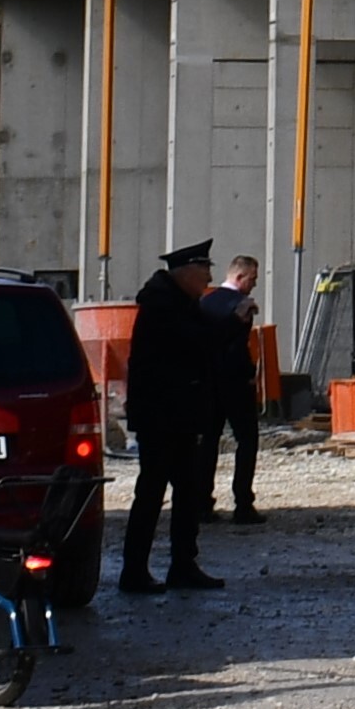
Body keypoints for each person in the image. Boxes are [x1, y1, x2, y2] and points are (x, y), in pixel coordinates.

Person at [120, 239, 235, 591]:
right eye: (204, 270)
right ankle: (134, 570)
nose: (209, 277)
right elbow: (195, 342)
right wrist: (233, 324)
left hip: (181, 416)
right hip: (161, 417)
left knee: (188, 491)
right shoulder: (162, 307)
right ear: (185, 272)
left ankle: (183, 565)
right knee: (152, 493)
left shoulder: (182, 303)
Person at [212, 254, 269, 521]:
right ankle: (243, 503)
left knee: (208, 443)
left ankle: (202, 502)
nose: (254, 285)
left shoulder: (205, 302)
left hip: (209, 384)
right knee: (247, 441)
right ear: (239, 277)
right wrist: (249, 375)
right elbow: (236, 347)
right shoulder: (242, 305)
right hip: (235, 383)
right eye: (252, 279)